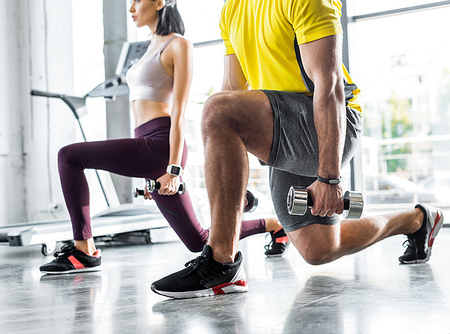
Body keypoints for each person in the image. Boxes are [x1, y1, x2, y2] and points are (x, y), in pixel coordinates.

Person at [150, 0, 445, 299]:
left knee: (218, 109)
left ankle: (221, 264)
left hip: (331, 123)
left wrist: (330, 178)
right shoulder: (232, 9)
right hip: (283, 122)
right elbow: (233, 89)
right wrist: (228, 185)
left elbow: (328, 86)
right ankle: (418, 220)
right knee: (318, 249)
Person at [39, 0, 287, 275]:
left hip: (161, 144)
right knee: (199, 241)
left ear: (159, 2)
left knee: (69, 156)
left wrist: (173, 169)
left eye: (136, 0)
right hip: (148, 148)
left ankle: (84, 250)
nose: (131, 8)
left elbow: (179, 112)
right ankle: (274, 224)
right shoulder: (148, 49)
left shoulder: (178, 45)